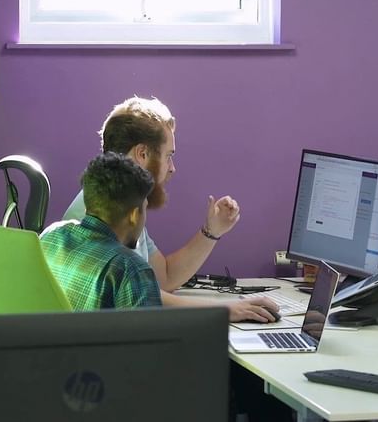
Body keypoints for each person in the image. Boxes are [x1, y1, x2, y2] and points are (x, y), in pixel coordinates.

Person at [63, 96, 278, 322]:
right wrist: (227, 310)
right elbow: (145, 296)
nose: (172, 168)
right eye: (168, 156)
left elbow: (162, 278)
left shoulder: (118, 201)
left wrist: (212, 231)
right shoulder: (103, 211)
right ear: (142, 154)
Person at [41, 152, 162, 309]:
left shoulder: (51, 236)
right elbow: (147, 326)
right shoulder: (132, 270)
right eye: (144, 208)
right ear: (133, 215)